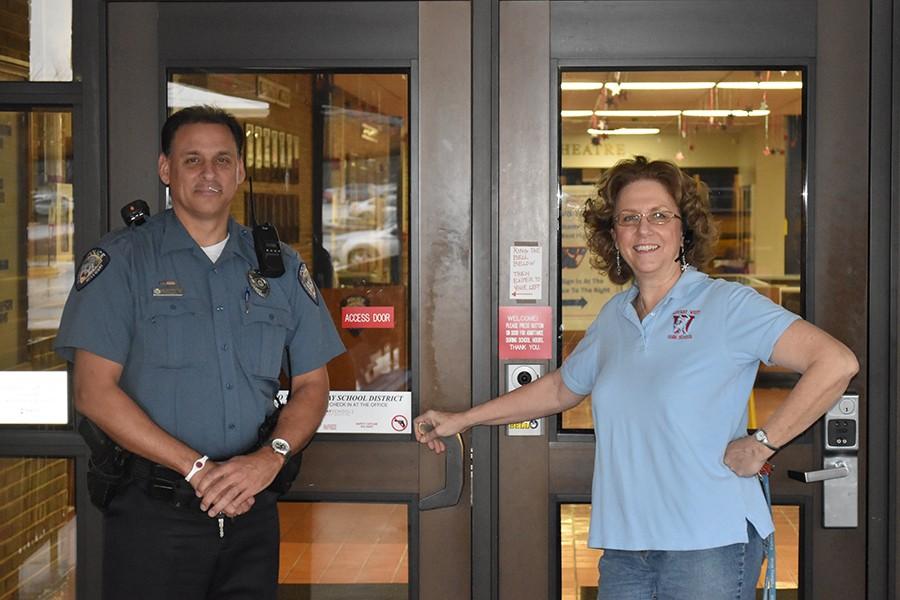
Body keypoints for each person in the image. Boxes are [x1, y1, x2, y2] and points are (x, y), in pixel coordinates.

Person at [414, 156, 858, 599]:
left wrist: (763, 441)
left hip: (709, 543)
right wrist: (464, 419)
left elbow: (835, 362)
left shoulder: (727, 305)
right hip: (627, 546)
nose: (644, 230)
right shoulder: (614, 317)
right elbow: (559, 388)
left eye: (660, 216)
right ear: (614, 235)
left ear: (684, 229)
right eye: (629, 219)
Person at [55, 105, 344, 599]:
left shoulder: (277, 267)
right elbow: (93, 392)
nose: (209, 173)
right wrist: (197, 469)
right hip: (154, 515)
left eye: (223, 160)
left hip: (252, 511)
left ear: (240, 171)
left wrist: (271, 457)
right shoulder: (124, 261)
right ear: (165, 169)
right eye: (192, 160)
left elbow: (314, 385)